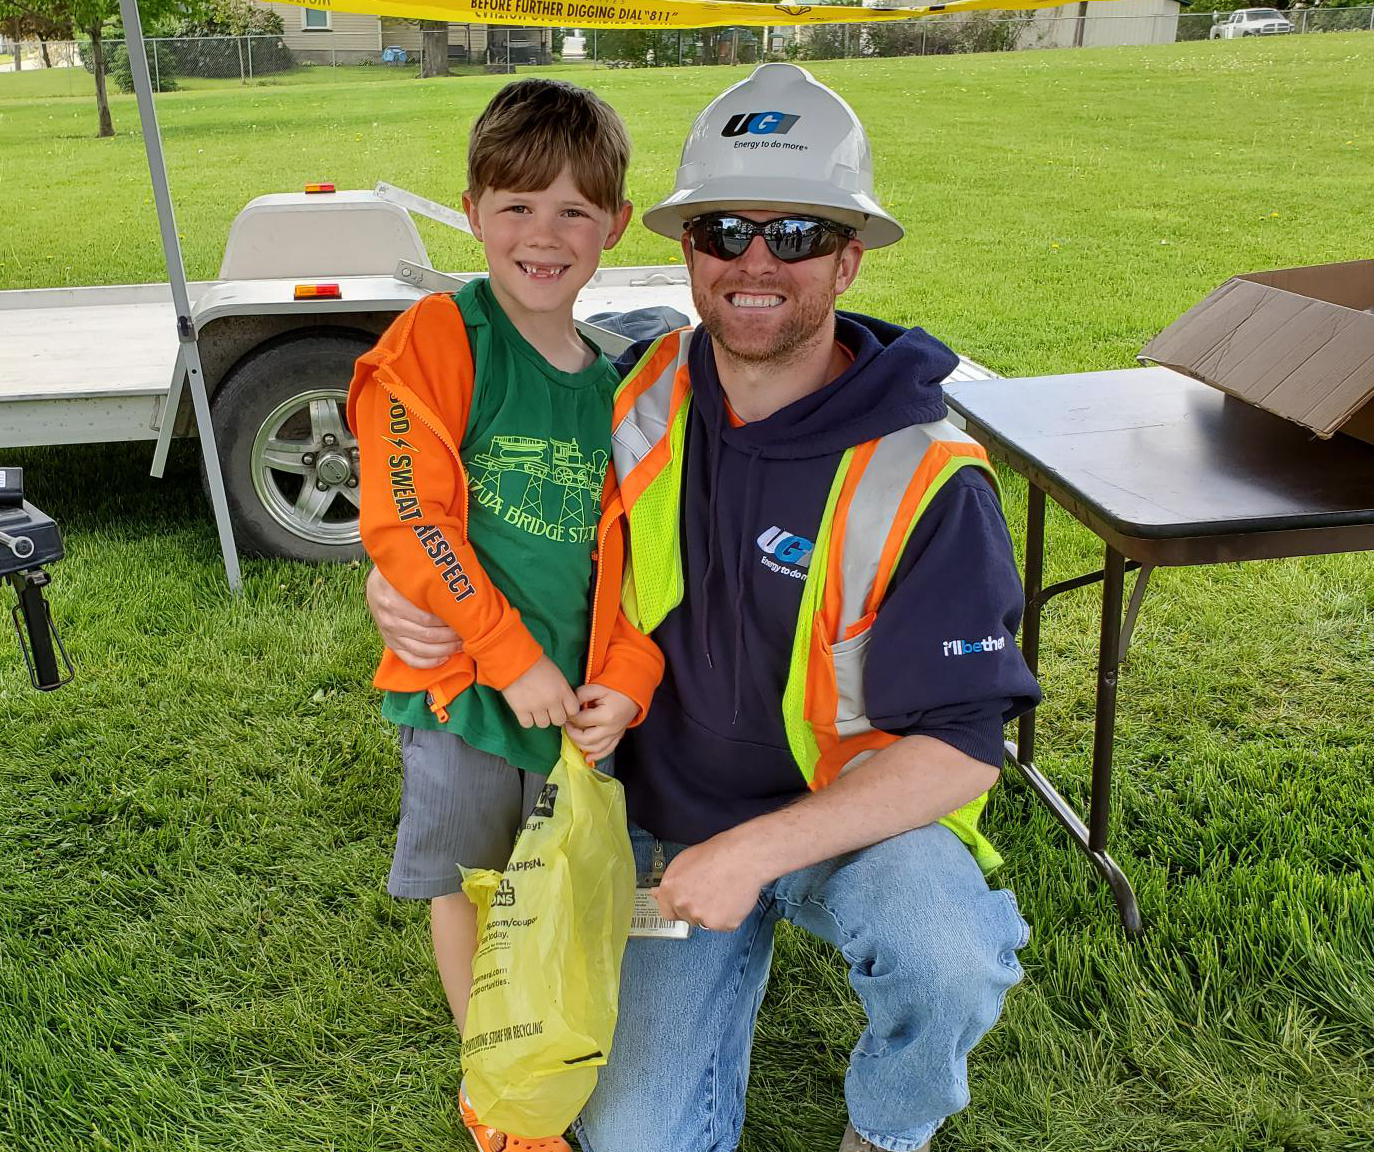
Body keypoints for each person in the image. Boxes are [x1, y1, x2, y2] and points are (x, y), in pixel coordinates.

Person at [368, 64, 1041, 1152]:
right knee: (632, 1140)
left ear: (850, 254)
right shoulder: (633, 394)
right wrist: (393, 580)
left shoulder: (925, 472)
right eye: (726, 228)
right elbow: (468, 494)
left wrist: (760, 851)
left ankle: (889, 1129)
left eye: (799, 233)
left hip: (849, 820)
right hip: (670, 826)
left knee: (942, 947)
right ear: (684, 247)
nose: (757, 261)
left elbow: (964, 752)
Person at [346, 78, 663, 1152]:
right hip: (464, 698)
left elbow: (641, 571)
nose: (545, 234)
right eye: (518, 205)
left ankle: (556, 1027)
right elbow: (408, 522)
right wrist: (505, 655)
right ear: (472, 208)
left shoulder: (621, 386)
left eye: (576, 210)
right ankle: (496, 1078)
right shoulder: (439, 337)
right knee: (469, 880)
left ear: (615, 226)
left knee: (562, 881)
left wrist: (627, 678)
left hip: (578, 708)